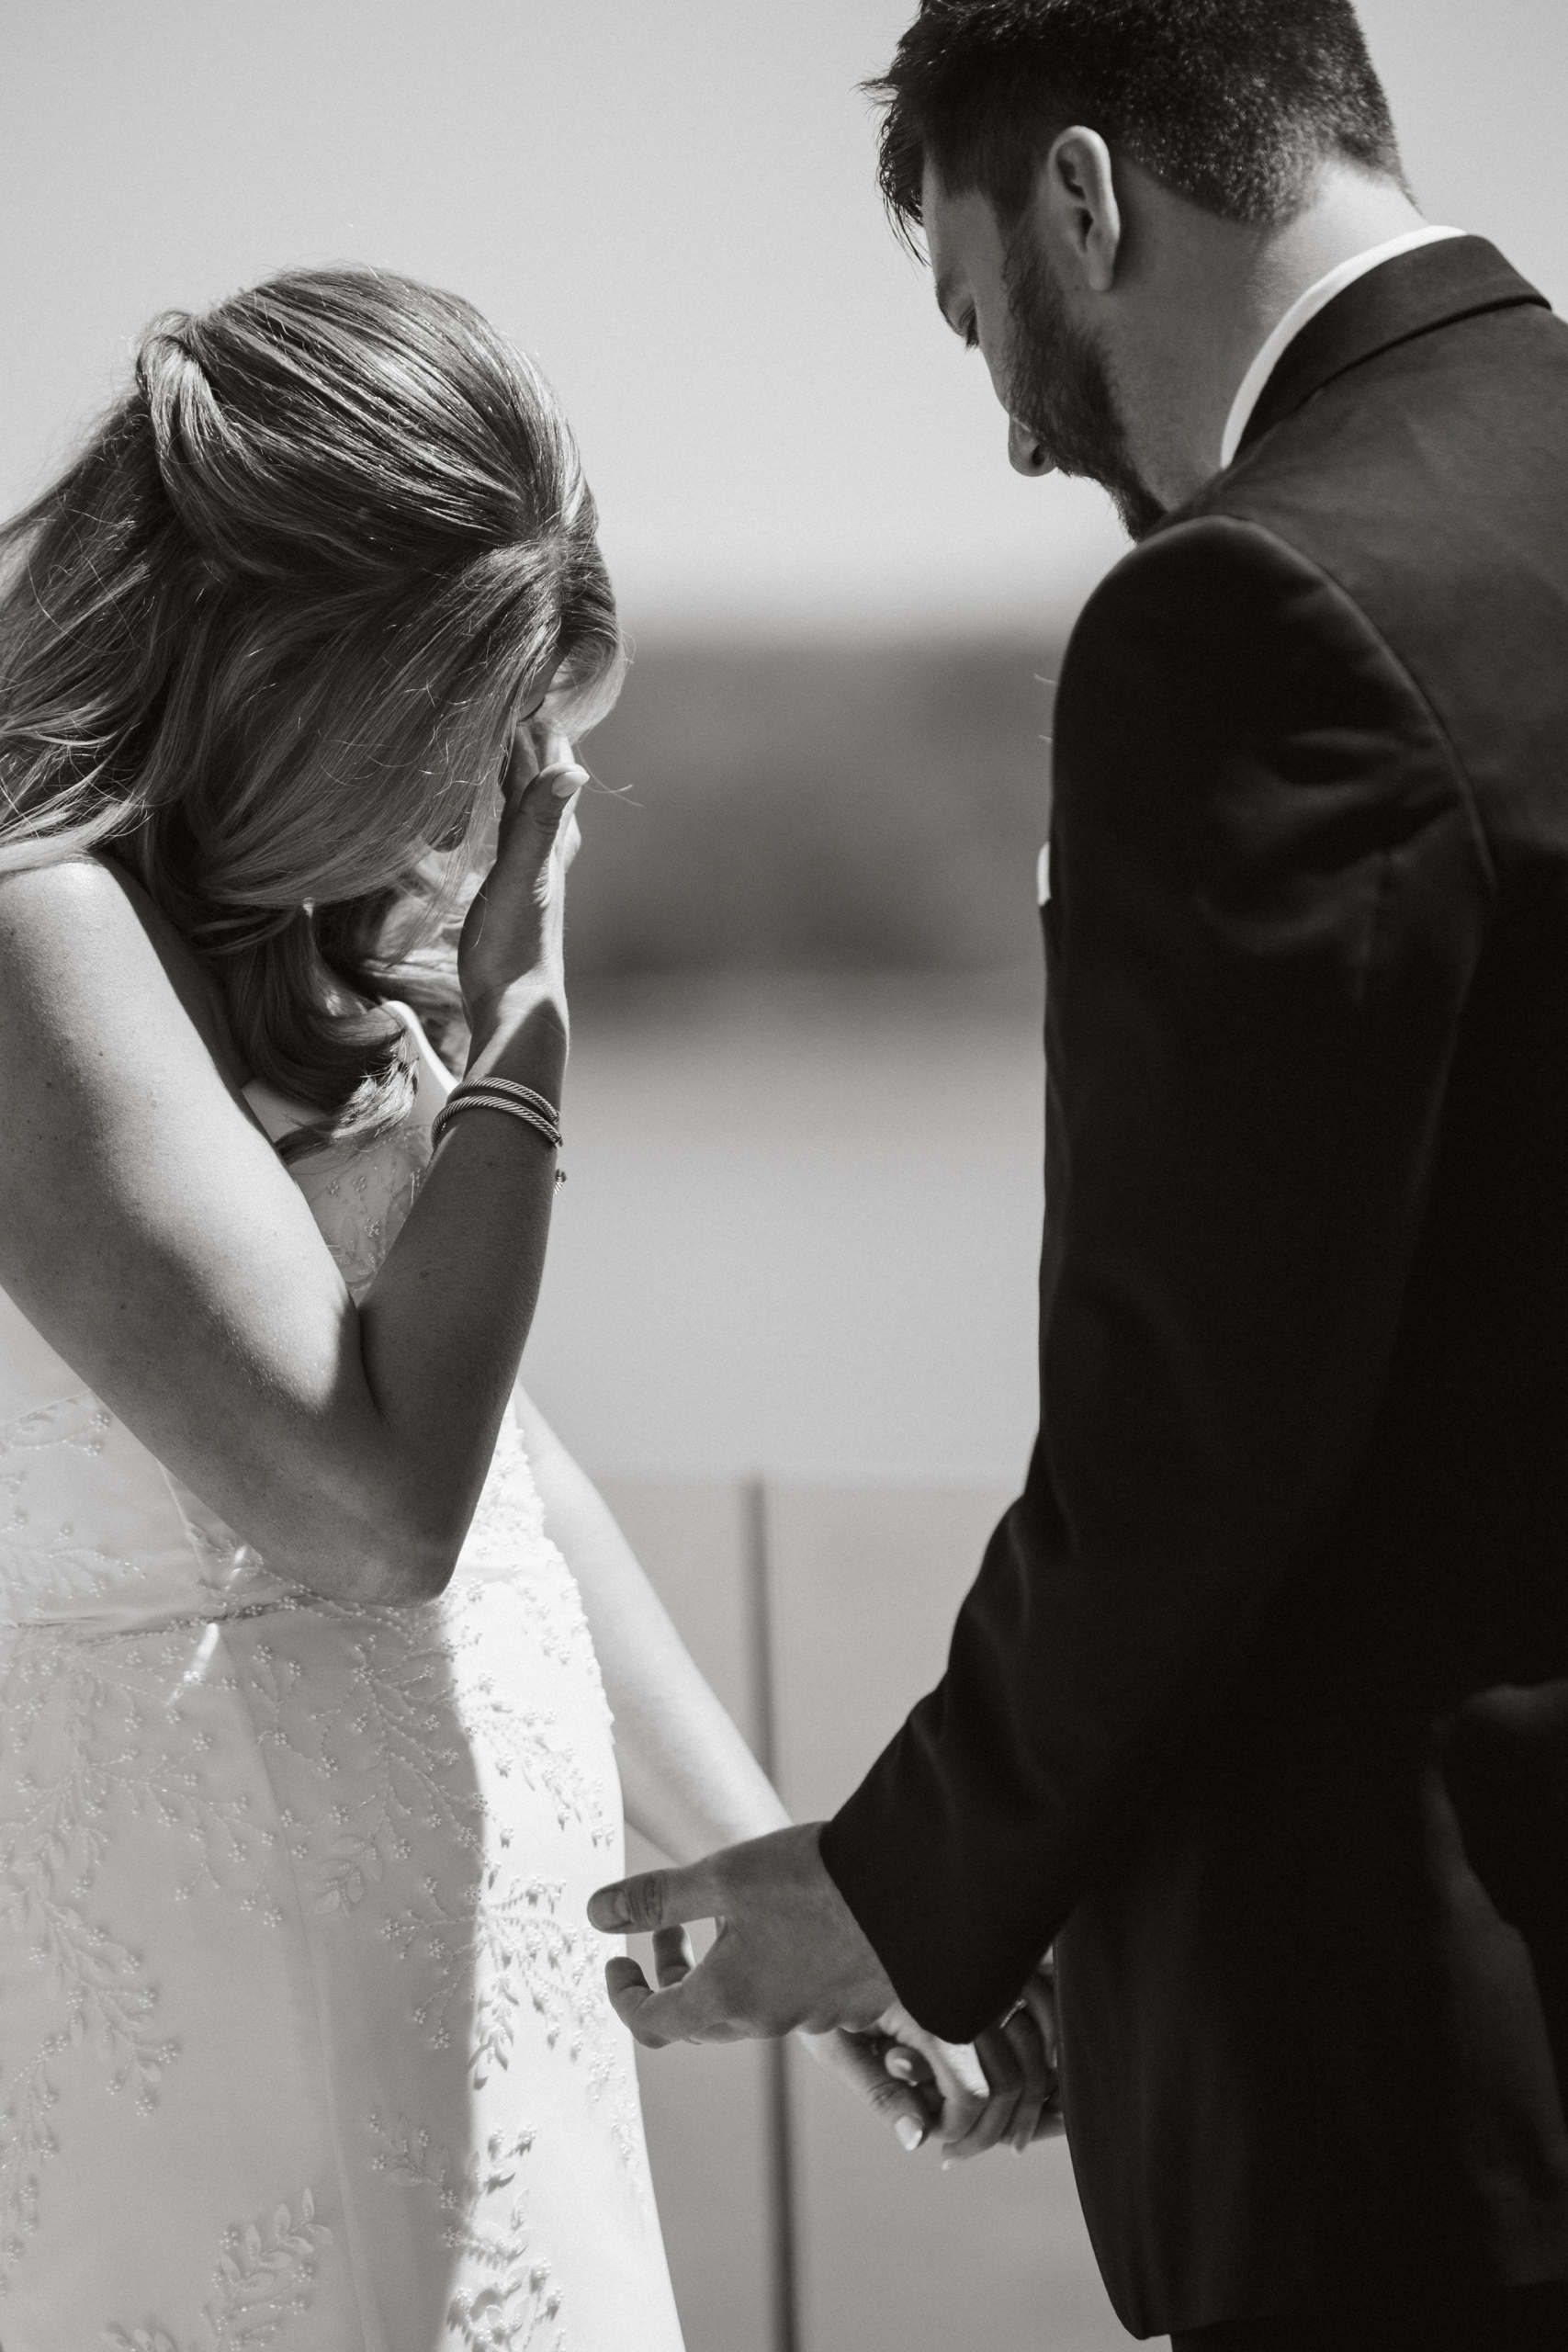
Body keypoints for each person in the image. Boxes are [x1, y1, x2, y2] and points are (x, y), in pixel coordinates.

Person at [590, 4, 1568, 2345]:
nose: (1017, 430)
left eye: (972, 319)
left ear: (1083, 201)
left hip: (1420, 2088)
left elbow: (1189, 1429)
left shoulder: (1248, 609)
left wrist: (904, 1886)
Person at [0, 267, 973, 2352]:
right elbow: (374, 1509)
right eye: (474, 753)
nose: (491, 827)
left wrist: (806, 1907)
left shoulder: (290, 941)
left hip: (493, 2059)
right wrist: (525, 1027)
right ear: (305, 674)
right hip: (215, 2081)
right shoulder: (35, 939)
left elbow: (508, 1485)